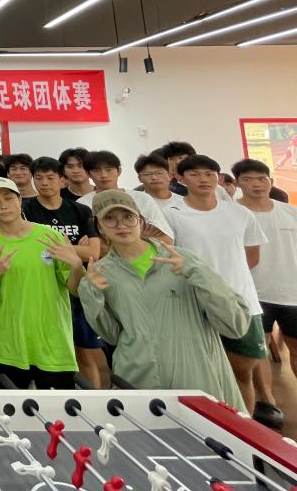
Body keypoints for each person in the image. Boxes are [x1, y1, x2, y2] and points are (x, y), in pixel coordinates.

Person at [78, 190, 248, 411]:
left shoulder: (184, 259)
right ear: (99, 227)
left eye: (128, 217)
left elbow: (236, 324)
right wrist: (91, 295)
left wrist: (196, 273)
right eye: (110, 219)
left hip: (196, 378)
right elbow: (112, 335)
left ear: (141, 221)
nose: (121, 225)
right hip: (138, 380)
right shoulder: (100, 273)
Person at [164, 155, 267, 414]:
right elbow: (168, 258)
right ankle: (212, 426)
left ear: (218, 178)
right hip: (194, 305)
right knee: (203, 374)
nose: (203, 179)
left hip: (241, 303)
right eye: (195, 174)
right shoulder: (171, 214)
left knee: (243, 372)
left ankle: (244, 427)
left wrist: (225, 283)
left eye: (209, 174)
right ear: (180, 178)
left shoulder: (239, 213)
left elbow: (252, 256)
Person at [0, 177, 79, 389]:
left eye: (8, 198)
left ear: (20, 199)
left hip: (53, 343)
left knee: (57, 409)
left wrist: (77, 265)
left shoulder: (49, 235)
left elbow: (75, 289)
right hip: (8, 345)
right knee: (8, 409)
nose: (3, 205)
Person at [22, 157, 103, 387]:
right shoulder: (25, 210)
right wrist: (74, 248)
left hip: (77, 289)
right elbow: (25, 247)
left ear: (62, 180)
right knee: (44, 352)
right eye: (39, 178)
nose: (44, 183)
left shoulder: (81, 210)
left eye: (50, 178)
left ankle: (93, 401)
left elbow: (93, 252)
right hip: (42, 290)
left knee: (85, 353)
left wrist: (51, 246)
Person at [235, 158, 297, 428]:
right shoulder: (233, 213)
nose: (256, 184)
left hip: (292, 292)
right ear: (238, 183)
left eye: (261, 178)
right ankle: (267, 400)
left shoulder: (290, 212)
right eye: (248, 179)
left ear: (270, 181)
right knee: (258, 350)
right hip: (251, 293)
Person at [76, 151, 174, 243]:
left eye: (109, 169)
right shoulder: (82, 204)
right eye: (96, 171)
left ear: (119, 171)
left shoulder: (143, 198)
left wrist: (108, 239)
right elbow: (90, 245)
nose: (103, 175)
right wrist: (140, 236)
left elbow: (167, 239)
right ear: (88, 174)